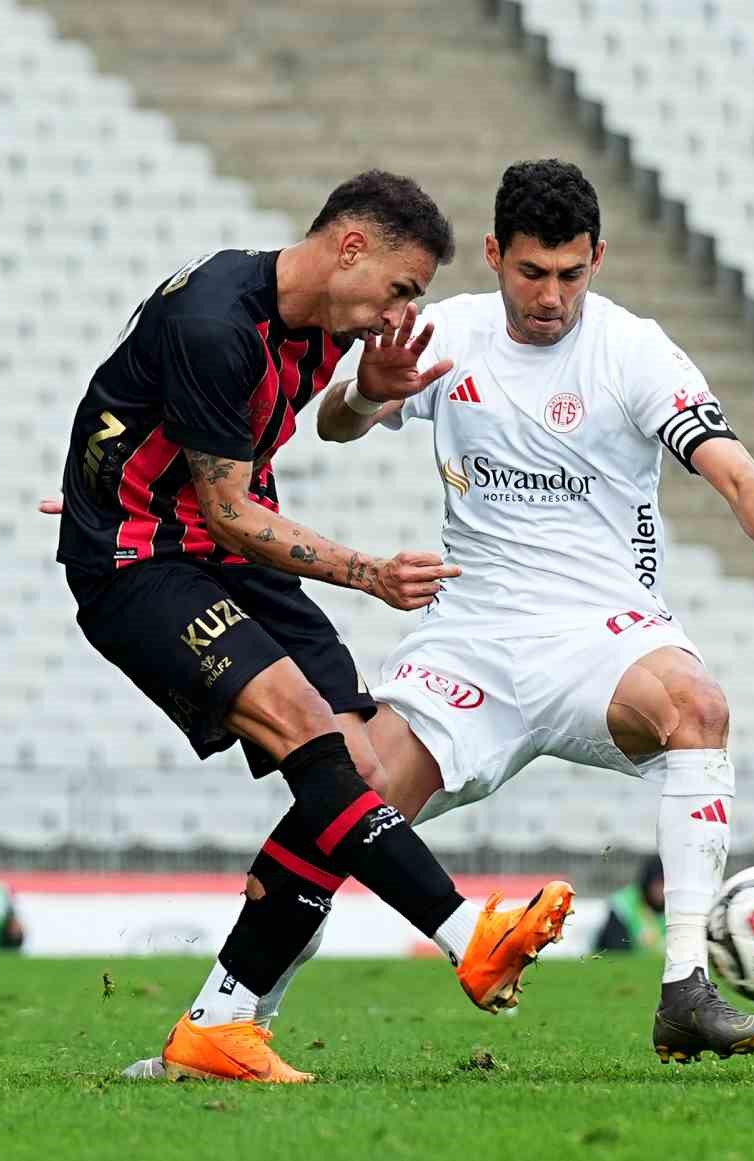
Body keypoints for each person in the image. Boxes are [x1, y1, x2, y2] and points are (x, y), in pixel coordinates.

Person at [188, 158, 754, 1068]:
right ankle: (225, 1016)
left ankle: (684, 990)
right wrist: (369, 389)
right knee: (345, 799)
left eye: (571, 274)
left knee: (698, 708)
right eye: (530, 272)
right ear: (493, 255)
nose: (551, 296)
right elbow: (336, 426)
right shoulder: (446, 332)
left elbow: (732, 468)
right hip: (468, 637)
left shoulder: (635, 352)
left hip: (602, 634)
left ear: (597, 257)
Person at [54, 170, 574, 1085]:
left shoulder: (322, 331)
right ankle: (466, 935)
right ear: (349, 248)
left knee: (361, 763)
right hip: (142, 563)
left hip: (218, 549)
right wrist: (366, 572)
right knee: (303, 722)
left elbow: (157, 415)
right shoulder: (221, 321)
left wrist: (371, 389)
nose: (398, 312)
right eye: (402, 288)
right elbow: (225, 508)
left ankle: (220, 1023)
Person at [594, 856, 667, 955]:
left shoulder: (681, 907)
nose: (662, 889)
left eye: (666, 883)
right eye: (658, 883)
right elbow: (616, 951)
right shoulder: (623, 905)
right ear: (648, 882)